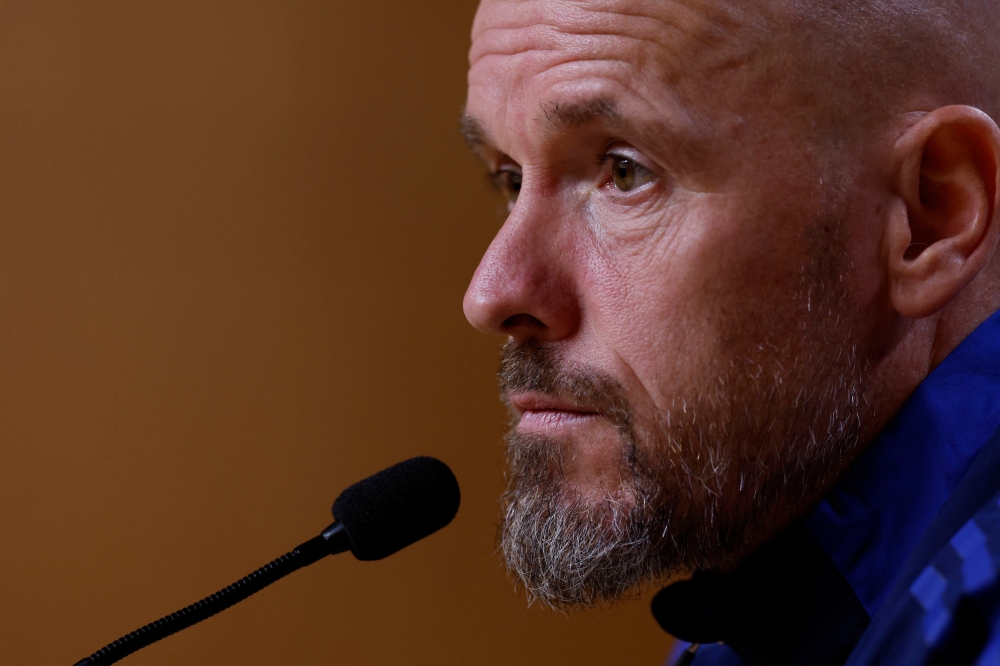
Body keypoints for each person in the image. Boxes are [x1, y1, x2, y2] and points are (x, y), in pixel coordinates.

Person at [459, 0, 1000, 664]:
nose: (491, 293)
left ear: (929, 217)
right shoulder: (761, 603)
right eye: (510, 179)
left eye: (624, 172)